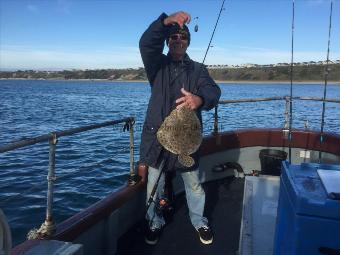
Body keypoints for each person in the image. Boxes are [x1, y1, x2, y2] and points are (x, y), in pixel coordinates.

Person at [138, 11, 221, 245]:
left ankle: (199, 221)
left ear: (187, 42)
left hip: (186, 140)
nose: (177, 39)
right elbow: (146, 42)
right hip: (157, 138)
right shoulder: (157, 65)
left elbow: (214, 92)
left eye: (182, 37)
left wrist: (199, 100)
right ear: (167, 41)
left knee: (194, 185)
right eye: (173, 36)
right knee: (154, 185)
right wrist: (165, 21)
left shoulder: (198, 70)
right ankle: (154, 221)